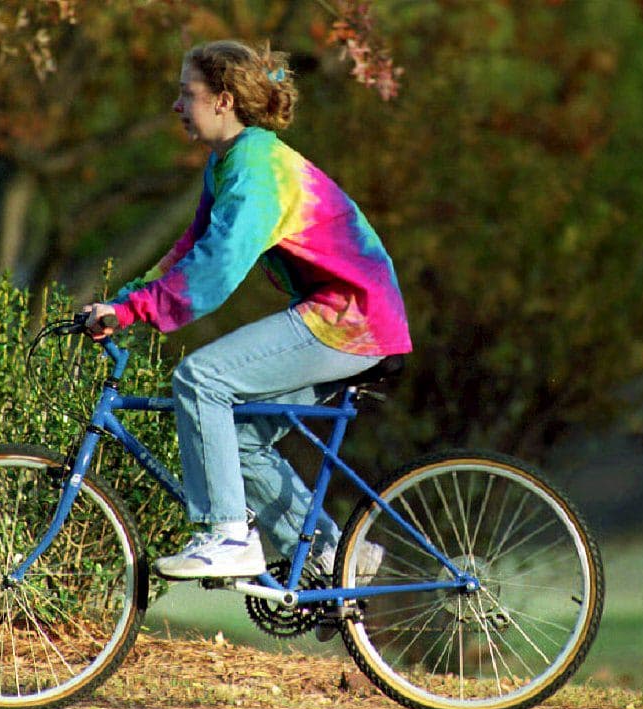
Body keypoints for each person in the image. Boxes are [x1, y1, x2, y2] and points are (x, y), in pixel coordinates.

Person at [84, 39, 412, 580]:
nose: (176, 106)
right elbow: (189, 250)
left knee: (200, 379)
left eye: (186, 94)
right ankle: (336, 557)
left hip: (349, 319)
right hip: (344, 315)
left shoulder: (259, 170)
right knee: (237, 438)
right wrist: (123, 305)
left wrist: (136, 312)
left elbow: (215, 270)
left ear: (223, 101)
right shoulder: (229, 164)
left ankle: (227, 535)